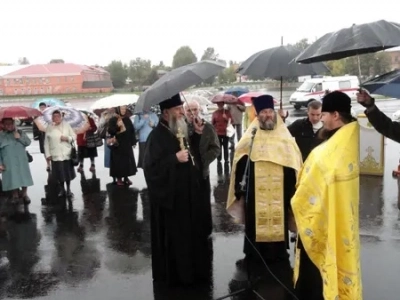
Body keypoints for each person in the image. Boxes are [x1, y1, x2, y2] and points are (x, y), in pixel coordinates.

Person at [292, 91, 361, 300]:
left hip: (321, 223)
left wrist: (297, 200)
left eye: (324, 114)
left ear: (336, 115)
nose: (321, 118)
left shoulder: (329, 151)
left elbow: (309, 187)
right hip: (341, 218)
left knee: (314, 279)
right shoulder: (349, 139)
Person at [143, 94, 212, 286]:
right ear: (166, 113)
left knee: (190, 237)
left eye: (182, 108)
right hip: (171, 202)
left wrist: (197, 136)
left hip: (188, 196)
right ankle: (176, 278)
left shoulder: (180, 129)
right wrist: (173, 159)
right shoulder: (156, 137)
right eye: (178, 109)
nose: (182, 112)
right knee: (176, 241)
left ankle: (192, 271)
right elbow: (150, 169)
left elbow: (192, 158)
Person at [226, 95, 302, 270]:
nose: (268, 115)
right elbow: (241, 158)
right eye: (264, 112)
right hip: (255, 191)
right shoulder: (250, 136)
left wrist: (293, 187)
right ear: (257, 115)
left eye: (270, 111)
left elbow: (293, 160)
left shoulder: (284, 136)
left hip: (280, 191)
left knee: (278, 220)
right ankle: (252, 254)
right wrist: (240, 187)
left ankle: (279, 255)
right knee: (254, 223)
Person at [184, 99, 220, 236]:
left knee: (203, 202)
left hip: (202, 172)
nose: (192, 113)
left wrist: (203, 160)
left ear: (199, 110)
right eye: (189, 110)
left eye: (195, 109)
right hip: (186, 172)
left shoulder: (208, 127)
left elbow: (216, 148)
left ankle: (205, 229)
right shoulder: (180, 128)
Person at [0, 118, 34, 204]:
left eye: (11, 124)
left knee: (23, 177)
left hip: (21, 160)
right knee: (12, 178)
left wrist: (19, 137)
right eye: (6, 124)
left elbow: (28, 142)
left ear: (14, 124)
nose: (9, 126)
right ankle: (14, 195)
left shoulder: (20, 132)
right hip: (8, 160)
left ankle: (25, 194)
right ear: (3, 125)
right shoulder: (1, 135)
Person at [44, 110, 77, 197]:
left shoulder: (66, 125)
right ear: (52, 118)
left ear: (61, 117)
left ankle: (69, 189)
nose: (57, 118)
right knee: (59, 174)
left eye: (58, 116)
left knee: (67, 173)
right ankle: (62, 190)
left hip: (66, 153)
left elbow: (74, 136)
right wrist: (47, 154)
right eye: (54, 117)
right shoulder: (49, 127)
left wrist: (67, 138)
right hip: (55, 153)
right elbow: (46, 142)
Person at [107, 106, 137, 186]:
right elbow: (110, 131)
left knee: (127, 161)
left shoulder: (127, 119)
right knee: (119, 162)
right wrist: (118, 127)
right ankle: (119, 178)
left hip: (127, 144)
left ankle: (126, 177)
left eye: (124, 109)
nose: (123, 111)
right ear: (118, 110)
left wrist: (133, 141)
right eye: (122, 109)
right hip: (118, 144)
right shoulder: (113, 119)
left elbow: (132, 130)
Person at [212, 102, 232, 166]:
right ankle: (219, 159)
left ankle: (226, 159)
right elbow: (212, 123)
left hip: (226, 132)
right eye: (218, 104)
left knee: (225, 146)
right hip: (218, 132)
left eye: (221, 104)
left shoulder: (227, 112)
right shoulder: (215, 113)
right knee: (219, 146)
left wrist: (226, 118)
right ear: (217, 105)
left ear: (223, 104)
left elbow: (232, 121)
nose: (220, 105)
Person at [33, 102, 49, 170]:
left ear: (46, 107)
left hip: (49, 135)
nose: (42, 108)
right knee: (44, 150)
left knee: (51, 149)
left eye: (43, 107)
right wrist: (36, 135)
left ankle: (52, 163)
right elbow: (34, 126)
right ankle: (48, 163)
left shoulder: (49, 115)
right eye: (41, 107)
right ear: (39, 108)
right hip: (41, 136)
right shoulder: (37, 116)